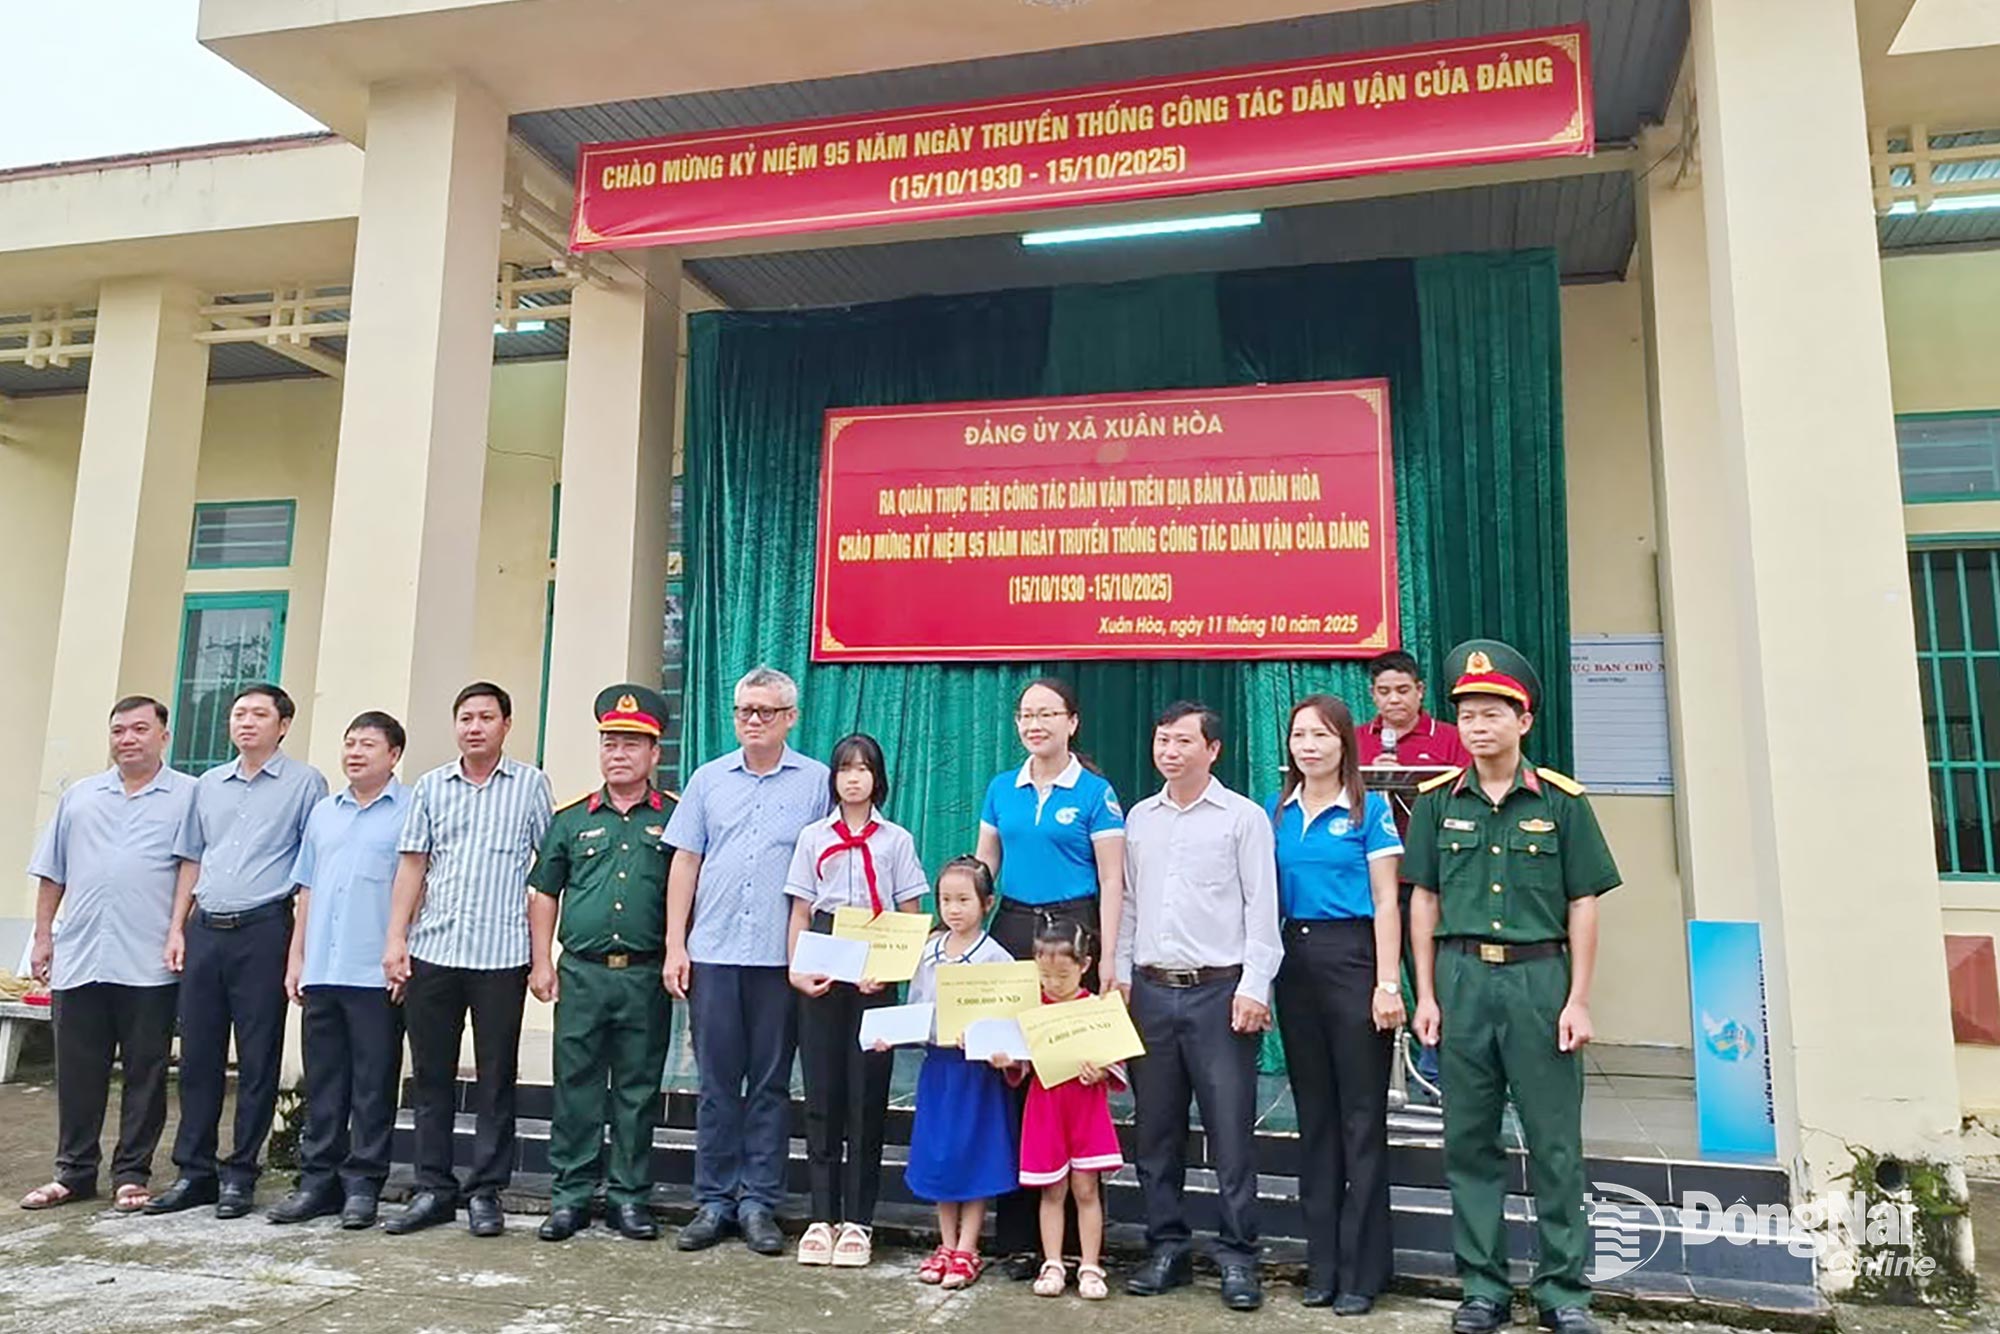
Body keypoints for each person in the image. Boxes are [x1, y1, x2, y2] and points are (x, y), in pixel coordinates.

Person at [1406, 640, 1622, 1334]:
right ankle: (1483, 1290)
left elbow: (1584, 900)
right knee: (1468, 1142)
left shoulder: (1562, 803)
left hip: (1539, 980)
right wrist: (1427, 995)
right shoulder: (1440, 804)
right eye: (1467, 714)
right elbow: (1424, 901)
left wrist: (1579, 997)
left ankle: (1564, 1294)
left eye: (1493, 712)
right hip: (1462, 980)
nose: (1478, 725)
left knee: (1554, 1145)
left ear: (1523, 721)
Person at [1116, 700, 1280, 1313]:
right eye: (1162, 740)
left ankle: (1239, 1258)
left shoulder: (1242, 819)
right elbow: (1130, 904)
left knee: (1230, 1132)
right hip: (1152, 991)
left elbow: (1263, 908)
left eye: (1183, 741)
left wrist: (1254, 987)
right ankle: (1167, 1248)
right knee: (1155, 1132)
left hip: (1220, 992)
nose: (1169, 751)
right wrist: (1120, 975)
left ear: (1213, 750)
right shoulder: (1140, 818)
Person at [664, 665, 831, 1255]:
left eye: (765, 711)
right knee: (715, 1084)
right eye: (744, 711)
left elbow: (826, 871)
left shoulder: (817, 782)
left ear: (790, 717)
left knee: (768, 1085)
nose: (753, 721)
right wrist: (675, 944)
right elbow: (685, 863)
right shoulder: (708, 781)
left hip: (778, 960)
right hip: (712, 953)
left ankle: (759, 1202)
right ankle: (712, 1202)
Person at [150, 684, 327, 1219]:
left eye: (259, 714)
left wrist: (300, 945)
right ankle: (194, 1171)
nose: (246, 723)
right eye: (238, 714)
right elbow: (191, 859)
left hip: (264, 929)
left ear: (284, 724)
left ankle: (240, 1174)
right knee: (199, 1056)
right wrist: (177, 928)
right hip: (206, 928)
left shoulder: (305, 784)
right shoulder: (209, 786)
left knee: (257, 1056)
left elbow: (311, 870)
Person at [382, 681, 552, 1238]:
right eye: (465, 717)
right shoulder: (431, 786)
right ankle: (433, 1187)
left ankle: (485, 1190)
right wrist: (396, 940)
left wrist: (541, 954)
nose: (474, 726)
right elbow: (413, 867)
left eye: (485, 717)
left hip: (501, 956)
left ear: (507, 724)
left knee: (496, 1077)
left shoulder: (530, 785)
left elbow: (547, 875)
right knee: (430, 1076)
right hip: (434, 951)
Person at [19, 697, 196, 1214]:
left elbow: (192, 867)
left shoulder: (187, 796)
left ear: (164, 735)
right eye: (118, 730)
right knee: (77, 1071)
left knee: (145, 1071)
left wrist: (178, 929)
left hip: (149, 960)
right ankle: (73, 1172)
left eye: (140, 729)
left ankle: (132, 1174)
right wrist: (44, 935)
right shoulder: (80, 797)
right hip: (82, 956)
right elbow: (54, 870)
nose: (128, 738)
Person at [974, 676, 1125, 1276]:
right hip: (1014, 935)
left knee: (1075, 1081)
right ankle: (1020, 1241)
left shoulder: (1094, 792)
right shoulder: (1000, 789)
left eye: (1047, 714)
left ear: (1072, 722)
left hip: (1075, 933)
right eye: (1026, 715)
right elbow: (984, 871)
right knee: (1018, 1082)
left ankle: (1080, 1251)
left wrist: (1108, 957)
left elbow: (1113, 879)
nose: (1035, 725)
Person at [1268, 695, 1406, 1314]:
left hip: (1354, 961)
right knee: (1315, 1121)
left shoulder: (1369, 810)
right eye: (1299, 735)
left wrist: (1387, 982)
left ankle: (1363, 1270)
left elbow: (1385, 902)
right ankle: (1321, 1265)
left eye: (1321, 735)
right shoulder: (1278, 812)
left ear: (1345, 742)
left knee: (1360, 1119)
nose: (1309, 746)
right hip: (1295, 964)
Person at [530, 685, 678, 1244]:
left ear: (653, 754)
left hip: (644, 973)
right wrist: (540, 961)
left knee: (637, 1091)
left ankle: (629, 1198)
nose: (619, 754)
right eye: (610, 743)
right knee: (577, 1087)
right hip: (583, 973)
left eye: (632, 745)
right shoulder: (570, 821)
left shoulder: (675, 820)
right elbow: (544, 893)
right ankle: (569, 1196)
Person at [785, 733, 929, 1267]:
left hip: (875, 972)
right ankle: (821, 1217)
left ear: (878, 778)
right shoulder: (811, 837)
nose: (853, 777)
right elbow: (800, 911)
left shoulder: (896, 840)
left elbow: (912, 916)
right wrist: (797, 970)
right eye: (844, 768)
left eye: (863, 768)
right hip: (824, 966)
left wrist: (889, 971)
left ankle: (859, 1222)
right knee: (822, 1095)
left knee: (866, 1098)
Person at [903, 857, 1019, 1291]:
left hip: (978, 1075)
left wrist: (996, 1048)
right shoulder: (929, 952)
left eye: (964, 900)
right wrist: (894, 1033)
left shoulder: (997, 958)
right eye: (946, 900)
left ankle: (969, 1247)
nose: (954, 909)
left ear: (986, 903)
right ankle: (946, 1243)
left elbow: (1011, 1020)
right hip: (939, 1068)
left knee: (974, 1155)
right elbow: (916, 1008)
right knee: (940, 1155)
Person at [1009, 918, 1122, 1301]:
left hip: (1086, 1109)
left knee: (1086, 1187)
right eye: (1045, 975)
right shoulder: (1031, 1010)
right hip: (1045, 1109)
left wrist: (1102, 1071)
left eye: (1062, 974)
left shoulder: (1096, 1007)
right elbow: (1021, 1063)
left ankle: (1090, 1265)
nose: (1053, 984)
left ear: (1084, 966)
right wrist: (1005, 1059)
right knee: (1052, 1189)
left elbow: (1117, 1061)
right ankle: (1053, 1262)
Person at [1357, 650, 1472, 768]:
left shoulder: (1454, 739)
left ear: (1420, 690)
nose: (1394, 700)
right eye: (1384, 692)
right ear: (1373, 694)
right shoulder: (1354, 739)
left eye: (1403, 691)